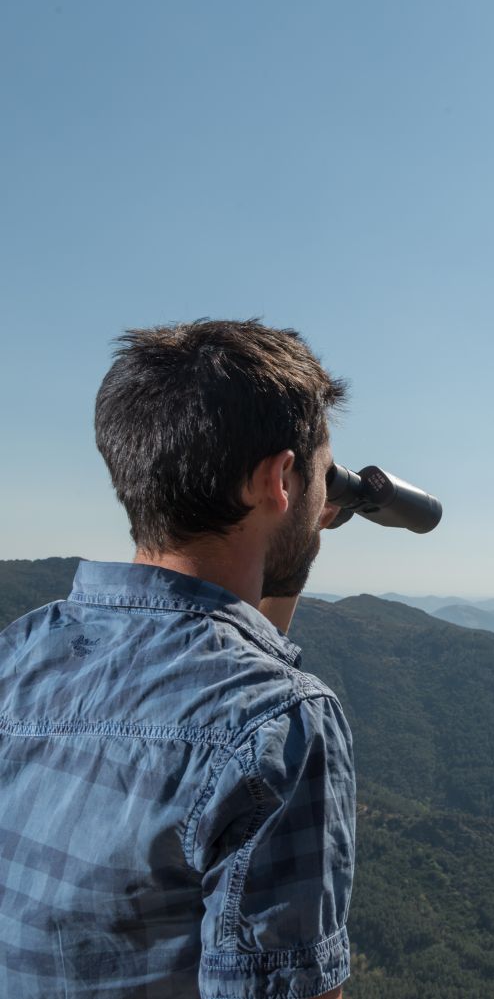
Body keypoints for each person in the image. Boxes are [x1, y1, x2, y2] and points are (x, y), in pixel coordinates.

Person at [0, 319, 357, 999]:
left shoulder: (20, 653)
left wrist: (289, 541)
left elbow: (239, 638)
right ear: (280, 477)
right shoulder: (280, 722)